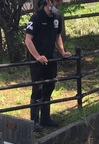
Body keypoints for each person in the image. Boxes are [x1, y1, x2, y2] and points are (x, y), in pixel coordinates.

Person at [25, 0, 72, 132]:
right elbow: (28, 40)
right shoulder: (37, 17)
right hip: (36, 61)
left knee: (50, 86)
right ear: (48, 1)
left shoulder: (57, 17)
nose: (58, 4)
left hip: (50, 59)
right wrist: (37, 56)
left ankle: (45, 118)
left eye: (59, 1)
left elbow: (58, 36)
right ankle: (34, 121)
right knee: (37, 89)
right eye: (56, 1)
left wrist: (62, 52)